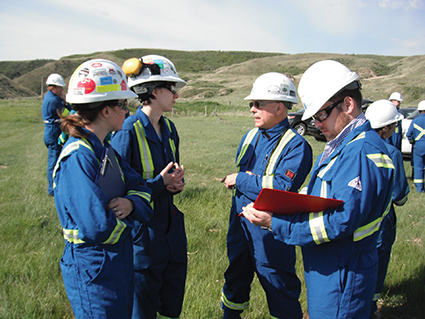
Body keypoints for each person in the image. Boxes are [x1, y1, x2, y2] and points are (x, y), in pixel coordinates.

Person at [242, 60, 395, 319]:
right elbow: (327, 196)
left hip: (342, 273)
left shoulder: (359, 152)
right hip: (330, 266)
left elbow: (341, 221)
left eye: (321, 115)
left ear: (348, 105)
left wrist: (277, 223)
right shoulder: (343, 145)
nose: (316, 124)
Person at [52, 59, 153, 319]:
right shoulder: (78, 157)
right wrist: (132, 222)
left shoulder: (105, 149)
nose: (127, 111)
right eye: (122, 105)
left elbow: (140, 187)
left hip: (115, 261)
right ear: (105, 111)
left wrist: (130, 204)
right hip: (93, 266)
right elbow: (97, 226)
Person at [220, 72, 313, 319]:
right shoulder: (250, 136)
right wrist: (250, 181)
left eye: (259, 104)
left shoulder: (297, 146)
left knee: (277, 281)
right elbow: (254, 178)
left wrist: (242, 180)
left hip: (270, 232)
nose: (252, 109)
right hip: (240, 222)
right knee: (236, 275)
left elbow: (281, 189)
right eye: (252, 104)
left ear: (280, 107)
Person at [111, 55, 187, 319]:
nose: (176, 95)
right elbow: (118, 191)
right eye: (172, 88)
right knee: (142, 307)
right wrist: (160, 184)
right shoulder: (127, 131)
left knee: (171, 301)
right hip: (142, 234)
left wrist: (176, 184)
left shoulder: (169, 128)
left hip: (170, 229)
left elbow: (171, 172)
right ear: (155, 92)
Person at [365, 100, 409, 318]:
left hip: (357, 218)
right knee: (378, 263)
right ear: (388, 128)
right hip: (382, 220)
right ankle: (371, 309)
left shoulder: (355, 146)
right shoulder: (392, 153)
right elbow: (399, 196)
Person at [42, 73, 71, 195]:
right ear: (52, 88)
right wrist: (67, 102)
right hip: (53, 133)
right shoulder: (54, 101)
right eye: (60, 87)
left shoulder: (51, 97)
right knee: (53, 162)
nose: (62, 89)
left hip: (51, 131)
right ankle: (52, 189)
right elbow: (67, 113)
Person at [407, 100, 425, 193]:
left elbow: (409, 134)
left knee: (418, 166)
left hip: (419, 146)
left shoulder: (415, 121)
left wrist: (413, 142)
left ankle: (419, 188)